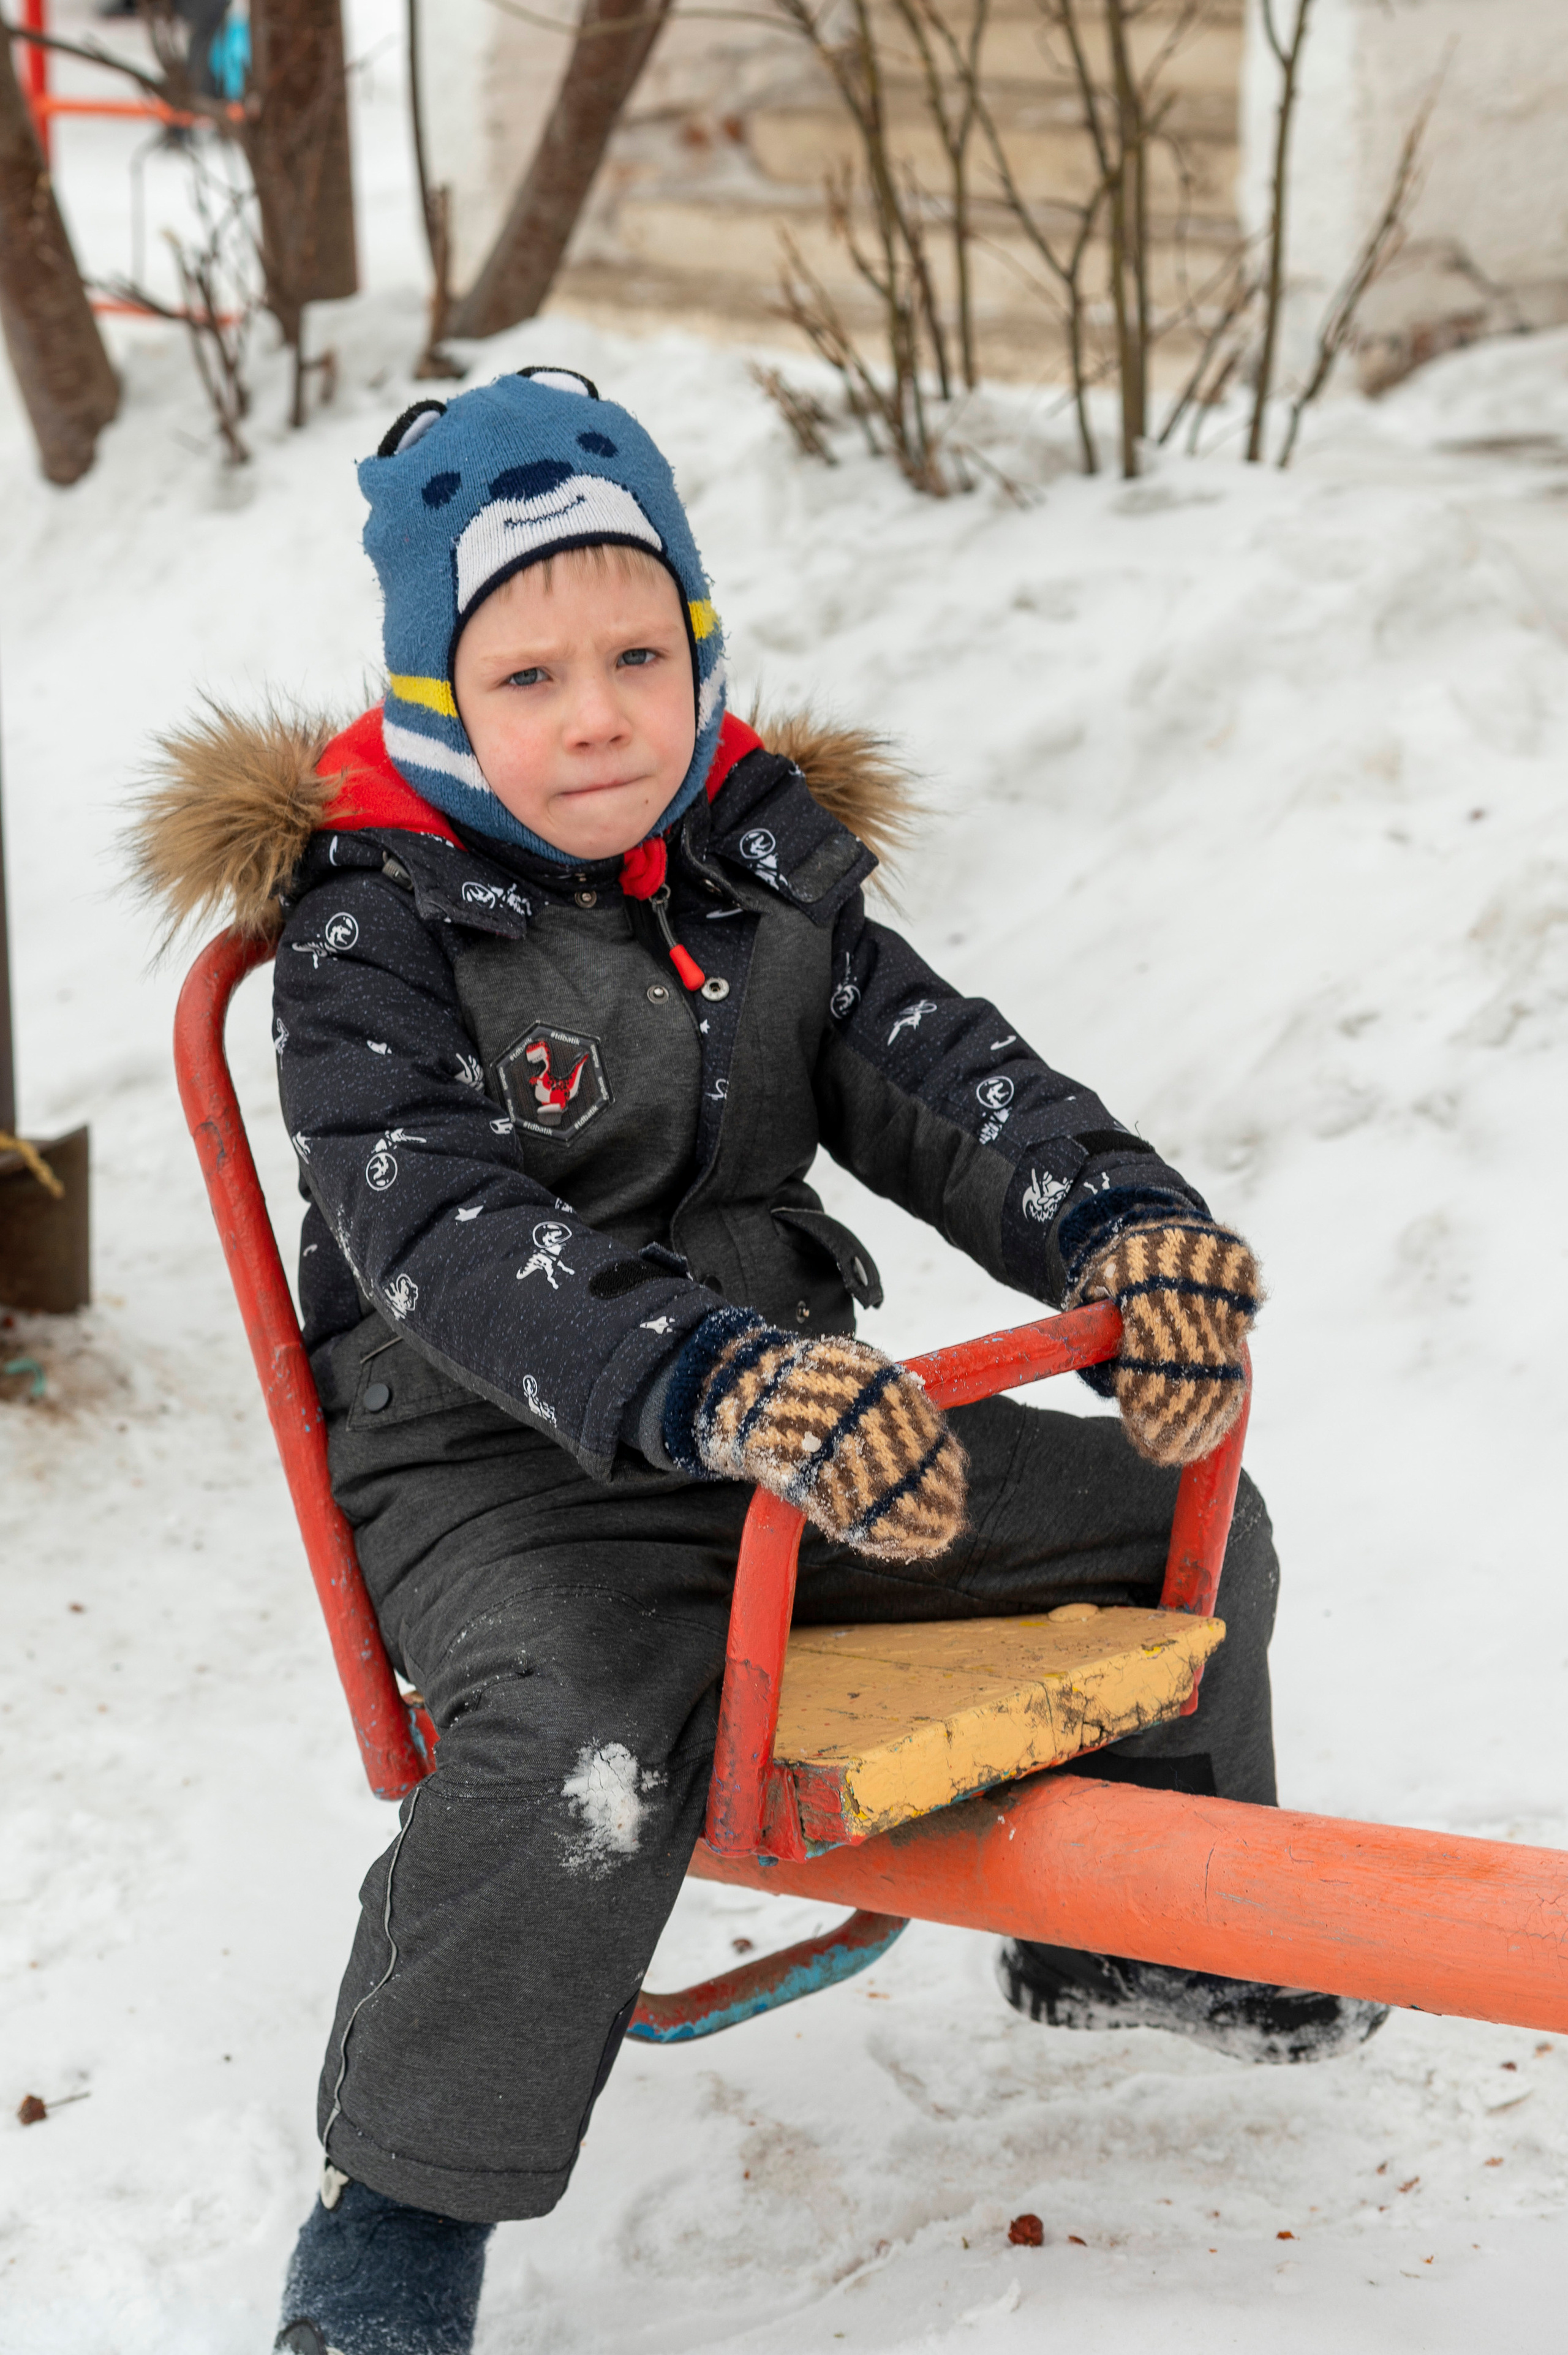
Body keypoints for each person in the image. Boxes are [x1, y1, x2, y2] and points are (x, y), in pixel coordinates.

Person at [135, 367, 1384, 2355]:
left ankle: (1135, 1945)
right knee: (582, 1743)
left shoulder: (762, 875)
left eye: (640, 654)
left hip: (801, 1446)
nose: (600, 714)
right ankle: (398, 2222)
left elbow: (956, 1087)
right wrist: (711, 1376)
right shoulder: (377, 936)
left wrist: (1122, 1230)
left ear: (702, 651)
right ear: (438, 700)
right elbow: (439, 1232)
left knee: (1190, 1539)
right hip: (498, 1474)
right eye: (530, 674)